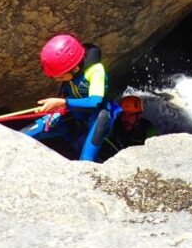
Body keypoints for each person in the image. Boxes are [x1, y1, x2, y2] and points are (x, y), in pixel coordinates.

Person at [21, 34, 119, 162]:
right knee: (24, 134)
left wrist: (63, 102)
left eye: (60, 77)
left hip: (96, 116)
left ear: (75, 68)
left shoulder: (95, 71)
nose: (57, 79)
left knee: (86, 160)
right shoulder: (71, 72)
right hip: (74, 113)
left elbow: (96, 101)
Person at [100, 95, 158, 160]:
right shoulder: (115, 124)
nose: (126, 119)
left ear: (138, 115)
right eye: (124, 115)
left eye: (130, 115)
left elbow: (154, 150)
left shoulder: (148, 128)